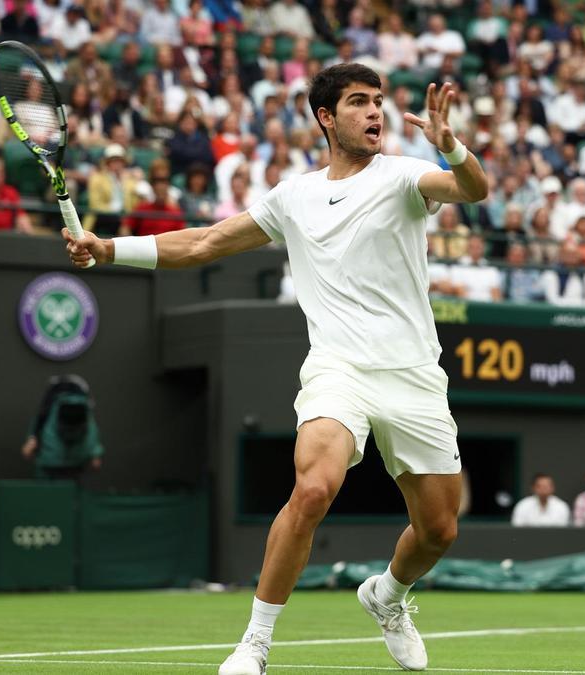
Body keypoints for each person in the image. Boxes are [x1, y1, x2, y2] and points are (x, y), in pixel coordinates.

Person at [65, 65, 490, 675]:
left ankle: (388, 596)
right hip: (338, 366)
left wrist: (450, 144)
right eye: (358, 103)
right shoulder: (293, 197)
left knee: (439, 531)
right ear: (326, 118)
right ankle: (255, 644)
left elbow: (473, 189)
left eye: (378, 103)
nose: (375, 113)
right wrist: (110, 249)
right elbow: (207, 242)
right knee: (313, 487)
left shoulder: (404, 176)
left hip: (414, 372)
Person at [20, 375, 104, 481]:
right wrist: (95, 454)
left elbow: (37, 426)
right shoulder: (85, 406)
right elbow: (92, 434)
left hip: (49, 463)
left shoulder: (49, 407)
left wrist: (31, 441)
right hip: (76, 464)